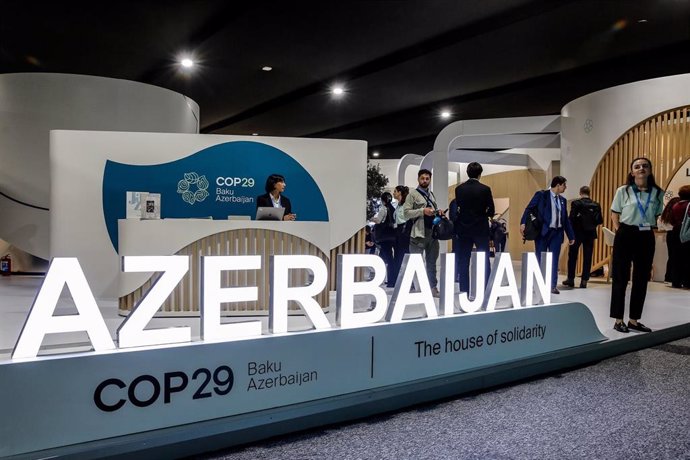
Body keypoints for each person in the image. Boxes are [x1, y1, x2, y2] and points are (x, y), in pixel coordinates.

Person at [609, 157, 665, 333]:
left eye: (645, 166)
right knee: (620, 277)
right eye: (637, 166)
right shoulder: (623, 191)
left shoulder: (657, 192)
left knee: (641, 278)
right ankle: (618, 320)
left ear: (649, 170)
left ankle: (634, 320)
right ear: (632, 172)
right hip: (626, 233)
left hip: (646, 235)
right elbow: (614, 213)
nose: (641, 168)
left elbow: (657, 214)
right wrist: (620, 231)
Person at [520, 176, 575, 294]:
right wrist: (523, 223)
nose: (565, 187)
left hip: (557, 233)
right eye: (564, 185)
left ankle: (552, 286)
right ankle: (538, 285)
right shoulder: (541, 195)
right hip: (543, 232)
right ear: (558, 185)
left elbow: (565, 220)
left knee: (554, 260)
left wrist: (571, 236)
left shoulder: (563, 200)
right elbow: (529, 209)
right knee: (540, 258)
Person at [454, 162, 495, 293]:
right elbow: (491, 210)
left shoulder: (459, 189)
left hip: (464, 228)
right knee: (484, 259)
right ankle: (486, 289)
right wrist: (484, 214)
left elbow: (459, 208)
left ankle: (464, 291)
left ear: (467, 173)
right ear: (480, 174)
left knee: (464, 260)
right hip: (480, 229)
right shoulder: (485, 189)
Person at [403, 169, 443, 296]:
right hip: (418, 234)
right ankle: (408, 287)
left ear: (430, 180)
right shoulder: (412, 195)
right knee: (415, 263)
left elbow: (433, 210)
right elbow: (406, 213)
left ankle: (432, 288)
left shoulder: (431, 194)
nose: (425, 180)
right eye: (422, 178)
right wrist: (422, 211)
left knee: (432, 264)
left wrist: (438, 212)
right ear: (418, 179)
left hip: (432, 233)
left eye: (427, 178)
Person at [563, 186, 603, 289]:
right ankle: (584, 280)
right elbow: (599, 220)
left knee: (572, 256)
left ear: (580, 193)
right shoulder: (596, 205)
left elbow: (571, 219)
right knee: (588, 257)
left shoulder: (576, 203)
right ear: (589, 193)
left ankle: (570, 279)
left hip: (577, 233)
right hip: (590, 234)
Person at [371, 192, 396, 288]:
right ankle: (387, 279)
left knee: (387, 259)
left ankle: (390, 281)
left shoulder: (383, 209)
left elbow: (378, 220)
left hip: (384, 237)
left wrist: (372, 219)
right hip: (392, 236)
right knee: (387, 258)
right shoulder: (393, 209)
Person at [669, 185, 690, 289]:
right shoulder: (689, 205)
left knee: (676, 257)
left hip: (675, 231)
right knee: (687, 258)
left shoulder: (675, 205)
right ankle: (687, 282)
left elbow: (671, 220)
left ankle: (675, 281)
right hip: (686, 233)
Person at [658, 196, 680, 285]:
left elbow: (660, 227)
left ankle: (668, 277)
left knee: (671, 256)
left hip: (669, 235)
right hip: (677, 234)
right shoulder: (677, 213)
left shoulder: (665, 214)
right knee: (677, 257)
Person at [392, 185, 411, 286]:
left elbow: (408, 218)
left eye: (395, 191)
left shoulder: (406, 205)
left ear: (400, 192)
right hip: (398, 231)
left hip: (405, 231)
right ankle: (399, 280)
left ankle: (407, 281)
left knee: (404, 255)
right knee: (398, 255)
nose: (393, 193)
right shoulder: (398, 205)